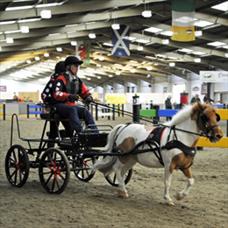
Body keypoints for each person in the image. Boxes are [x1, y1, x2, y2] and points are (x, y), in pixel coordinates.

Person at [52, 55, 97, 134]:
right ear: (68, 67)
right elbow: (56, 93)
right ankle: (80, 132)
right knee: (72, 109)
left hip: (71, 106)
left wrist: (88, 97)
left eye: (78, 66)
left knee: (84, 111)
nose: (77, 68)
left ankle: (94, 132)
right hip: (59, 106)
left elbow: (84, 91)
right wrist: (69, 96)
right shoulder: (61, 79)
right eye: (75, 66)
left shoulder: (77, 80)